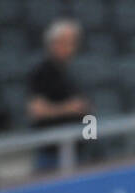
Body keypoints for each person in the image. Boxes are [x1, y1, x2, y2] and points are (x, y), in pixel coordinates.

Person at [26, 19, 89, 171]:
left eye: (73, 42)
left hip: (75, 151)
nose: (71, 47)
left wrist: (89, 136)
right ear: (54, 43)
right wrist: (68, 108)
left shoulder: (70, 71)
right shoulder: (42, 72)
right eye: (66, 42)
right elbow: (36, 111)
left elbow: (86, 110)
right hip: (51, 154)